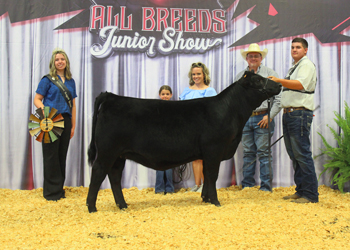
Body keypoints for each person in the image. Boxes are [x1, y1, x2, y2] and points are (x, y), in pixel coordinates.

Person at [268, 38, 318, 203]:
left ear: (305, 50)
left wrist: (279, 81)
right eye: (292, 47)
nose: (294, 50)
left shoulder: (306, 65)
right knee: (294, 155)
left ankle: (310, 195)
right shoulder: (295, 66)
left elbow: (300, 85)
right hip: (290, 113)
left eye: (298, 47)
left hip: (299, 114)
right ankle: (301, 190)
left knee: (302, 154)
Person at [235, 43, 282, 192]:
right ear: (247, 58)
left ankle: (266, 187)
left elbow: (279, 98)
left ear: (261, 58)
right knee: (248, 152)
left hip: (263, 116)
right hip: (246, 118)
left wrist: (270, 116)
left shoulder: (269, 73)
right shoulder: (240, 76)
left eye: (256, 55)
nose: (253, 58)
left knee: (263, 153)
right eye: (251, 56)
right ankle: (247, 185)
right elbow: (235, 99)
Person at [34, 48, 77, 201]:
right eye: (57, 59)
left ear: (66, 62)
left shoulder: (71, 81)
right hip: (50, 120)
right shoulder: (47, 80)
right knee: (50, 155)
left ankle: (59, 190)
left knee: (61, 155)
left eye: (62, 59)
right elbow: (37, 99)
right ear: (53, 62)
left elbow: (73, 104)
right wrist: (46, 112)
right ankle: (51, 193)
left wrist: (73, 126)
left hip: (65, 119)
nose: (60, 62)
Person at [179, 62, 217, 193]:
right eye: (194, 74)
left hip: (204, 128)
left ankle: (206, 186)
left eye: (198, 74)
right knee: (194, 157)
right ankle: (197, 185)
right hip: (189, 129)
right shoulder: (186, 90)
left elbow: (212, 111)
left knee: (204, 157)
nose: (196, 76)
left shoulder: (210, 91)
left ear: (204, 75)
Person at [155, 85, 175, 194]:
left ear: (171, 95)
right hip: (159, 138)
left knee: (169, 165)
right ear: (159, 95)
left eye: (167, 94)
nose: (165, 96)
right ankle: (159, 189)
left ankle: (170, 188)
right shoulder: (157, 107)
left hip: (170, 138)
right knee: (159, 164)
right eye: (163, 94)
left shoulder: (174, 107)